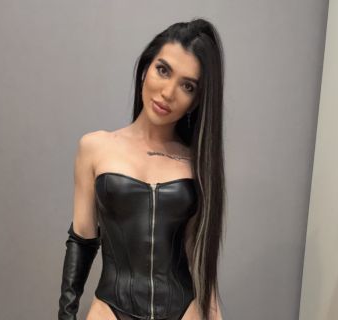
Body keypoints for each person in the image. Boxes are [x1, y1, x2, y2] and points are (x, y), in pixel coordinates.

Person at [58, 18, 226, 320]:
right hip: (110, 310)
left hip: (183, 312)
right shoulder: (95, 147)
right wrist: (65, 315)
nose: (168, 92)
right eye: (163, 70)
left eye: (187, 86)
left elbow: (199, 254)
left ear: (196, 101)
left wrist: (215, 315)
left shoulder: (198, 164)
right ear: (145, 69)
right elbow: (82, 238)